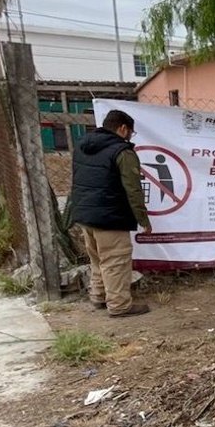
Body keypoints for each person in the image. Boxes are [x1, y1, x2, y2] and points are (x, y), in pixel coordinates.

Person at [69, 109, 151, 317]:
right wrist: (143, 219)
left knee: (97, 259)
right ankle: (119, 305)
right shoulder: (122, 152)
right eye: (131, 132)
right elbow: (133, 189)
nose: (131, 137)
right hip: (110, 216)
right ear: (123, 129)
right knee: (116, 260)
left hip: (85, 214)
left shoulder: (82, 145)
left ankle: (98, 296)